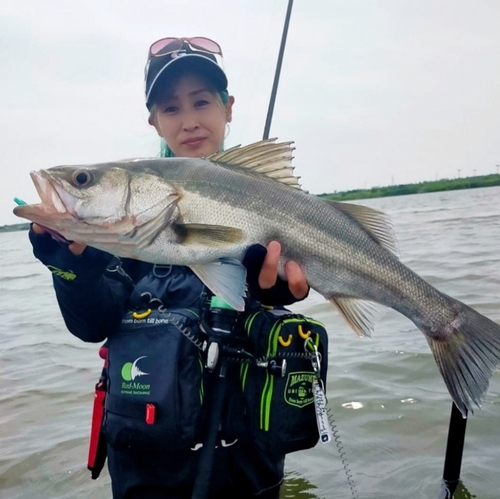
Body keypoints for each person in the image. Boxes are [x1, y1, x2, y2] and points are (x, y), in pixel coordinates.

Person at [28, 36, 310, 498]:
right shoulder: (123, 236)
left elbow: (280, 303)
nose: (190, 120)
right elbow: (92, 323)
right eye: (171, 108)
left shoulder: (271, 200)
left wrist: (272, 297)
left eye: (202, 102)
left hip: (245, 464)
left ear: (228, 107)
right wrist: (69, 264)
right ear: (154, 121)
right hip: (146, 468)